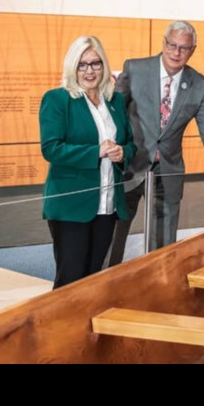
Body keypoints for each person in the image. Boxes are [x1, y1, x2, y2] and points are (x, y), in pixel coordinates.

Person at [106, 21, 204, 266]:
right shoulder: (136, 69)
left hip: (168, 173)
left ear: (192, 50)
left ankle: (157, 292)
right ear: (163, 43)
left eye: (183, 48)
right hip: (128, 167)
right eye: (171, 45)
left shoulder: (199, 85)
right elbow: (112, 113)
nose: (176, 52)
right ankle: (100, 288)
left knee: (162, 251)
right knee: (111, 241)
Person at [39, 36, 135, 288]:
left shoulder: (114, 100)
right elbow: (51, 148)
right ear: (73, 67)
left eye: (95, 63)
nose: (89, 71)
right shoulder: (58, 99)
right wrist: (96, 152)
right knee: (70, 280)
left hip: (107, 205)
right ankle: (60, 327)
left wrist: (122, 152)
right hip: (71, 205)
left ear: (104, 66)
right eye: (82, 64)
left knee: (93, 278)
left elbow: (131, 143)